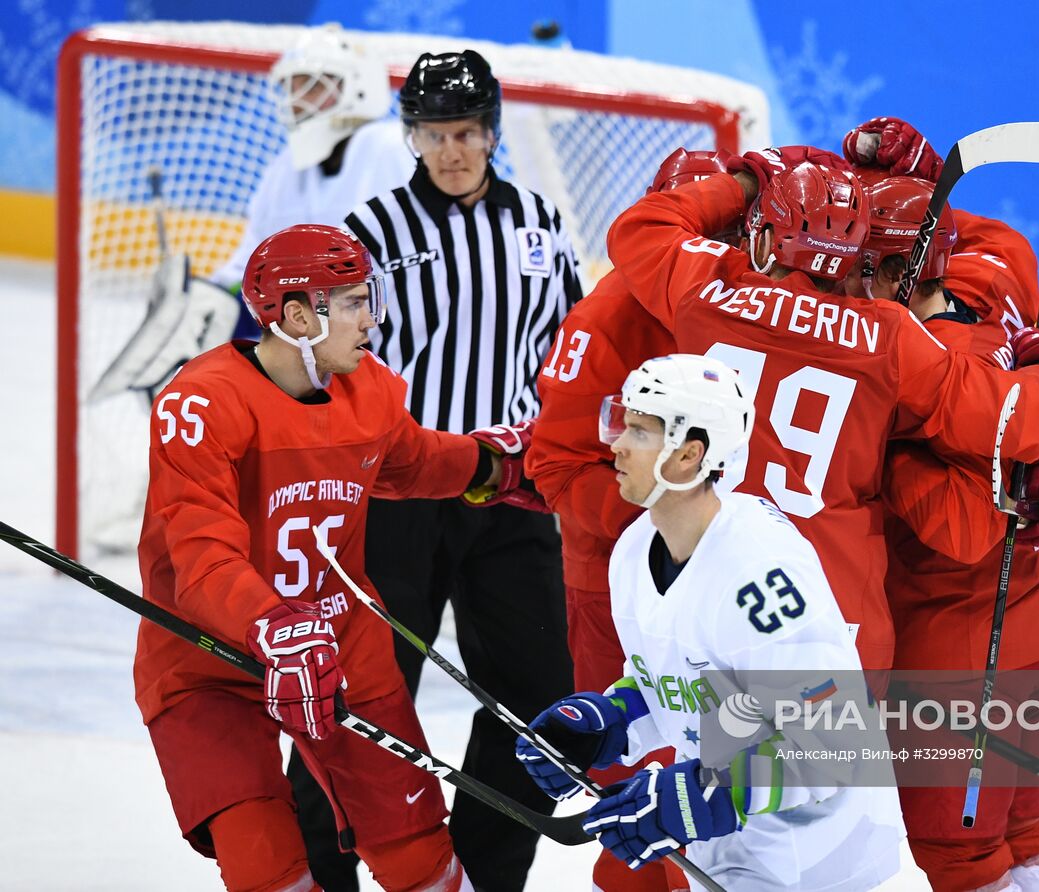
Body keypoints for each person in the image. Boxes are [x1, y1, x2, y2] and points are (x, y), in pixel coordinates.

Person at [131, 223, 535, 892]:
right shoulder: (202, 403)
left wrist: (491, 467)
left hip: (341, 643)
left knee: (421, 858)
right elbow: (201, 554)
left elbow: (409, 462)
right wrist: (275, 624)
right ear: (295, 316)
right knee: (269, 871)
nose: (369, 318)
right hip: (207, 662)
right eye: (350, 302)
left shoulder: (368, 390)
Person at [602, 155, 1039, 680]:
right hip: (833, 609)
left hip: (709, 586)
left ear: (764, 242)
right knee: (826, 762)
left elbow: (639, 225)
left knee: (712, 752)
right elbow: (1012, 423)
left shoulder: (707, 290)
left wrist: (747, 182)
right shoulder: (887, 334)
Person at [518, 354, 906, 891]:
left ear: (688, 454)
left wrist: (710, 793)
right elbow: (672, 687)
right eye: (620, 421)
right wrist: (609, 722)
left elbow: (834, 742)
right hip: (732, 853)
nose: (616, 444)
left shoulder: (760, 571)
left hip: (818, 856)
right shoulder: (633, 550)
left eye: (639, 430)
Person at [845, 122, 1039, 892]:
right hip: (1038, 623)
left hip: (958, 654)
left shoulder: (910, 374)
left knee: (962, 855)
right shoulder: (993, 310)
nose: (845, 283)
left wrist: (876, 460)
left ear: (896, 273)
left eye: (863, 267)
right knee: (1023, 833)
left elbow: (965, 528)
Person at [341, 48, 581, 891]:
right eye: (436, 134)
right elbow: (340, 360)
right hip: (402, 491)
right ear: (412, 137)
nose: (453, 150)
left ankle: (478, 874)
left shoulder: (540, 225)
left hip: (510, 489)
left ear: (491, 132)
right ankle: (320, 868)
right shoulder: (368, 233)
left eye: (468, 132)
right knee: (366, 699)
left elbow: (572, 344)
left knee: (543, 701)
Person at [526, 148, 733, 892]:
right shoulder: (606, 317)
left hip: (713, 582)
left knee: (722, 771)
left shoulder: (738, 302)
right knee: (639, 783)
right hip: (620, 590)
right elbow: (554, 465)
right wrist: (664, 515)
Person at [93, 26, 412, 404]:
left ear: (358, 88)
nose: (296, 100)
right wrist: (204, 300)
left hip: (382, 323)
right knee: (215, 323)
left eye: (312, 86)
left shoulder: (390, 147)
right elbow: (247, 263)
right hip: (312, 322)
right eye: (293, 87)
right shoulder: (285, 169)